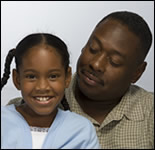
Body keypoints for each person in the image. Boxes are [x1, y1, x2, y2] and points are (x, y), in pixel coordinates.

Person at [6, 11, 154, 149]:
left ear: (137, 72)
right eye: (93, 49)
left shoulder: (150, 112)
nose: (96, 64)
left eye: (114, 61)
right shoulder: (24, 110)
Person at [1, 33, 100, 149]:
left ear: (67, 77)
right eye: (31, 76)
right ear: (17, 80)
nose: (42, 87)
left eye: (53, 76)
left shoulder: (82, 131)